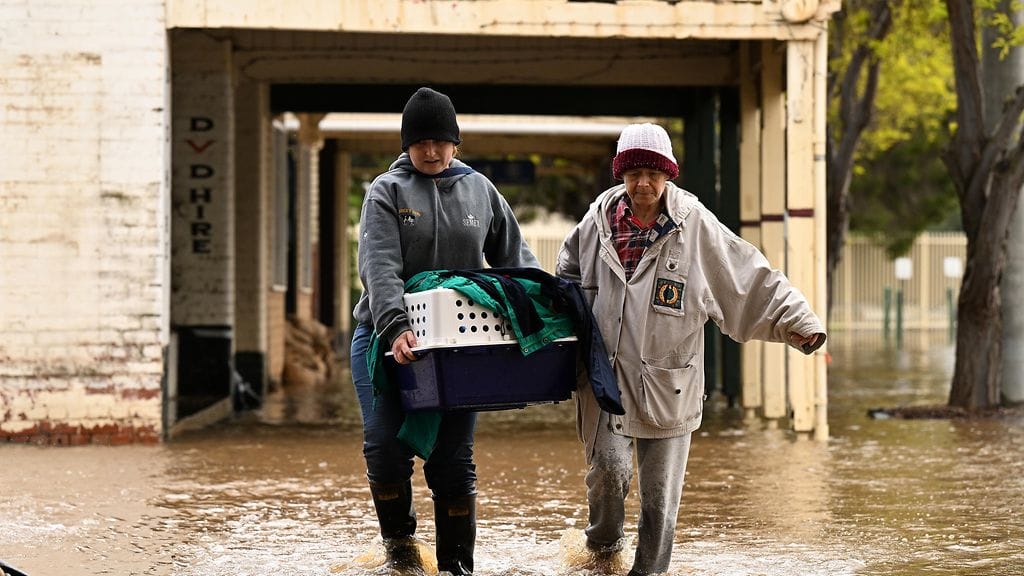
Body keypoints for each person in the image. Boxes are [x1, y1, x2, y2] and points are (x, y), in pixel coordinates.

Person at [556, 123, 826, 576]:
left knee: (659, 500)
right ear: (621, 175)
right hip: (605, 378)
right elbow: (565, 277)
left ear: (669, 175)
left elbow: (747, 277)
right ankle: (602, 550)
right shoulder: (596, 222)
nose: (643, 184)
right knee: (607, 472)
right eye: (634, 174)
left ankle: (649, 572)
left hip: (669, 383)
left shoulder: (694, 224)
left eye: (653, 174)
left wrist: (798, 322)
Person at [350, 86, 540, 575]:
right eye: (420, 142)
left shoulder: (481, 190)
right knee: (385, 449)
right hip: (386, 340)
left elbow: (516, 262)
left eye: (440, 141)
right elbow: (379, 266)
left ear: (456, 142)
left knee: (452, 460)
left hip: (458, 346)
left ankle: (457, 567)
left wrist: (542, 312)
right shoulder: (386, 191)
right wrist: (395, 326)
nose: (431, 152)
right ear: (406, 145)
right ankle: (401, 555)